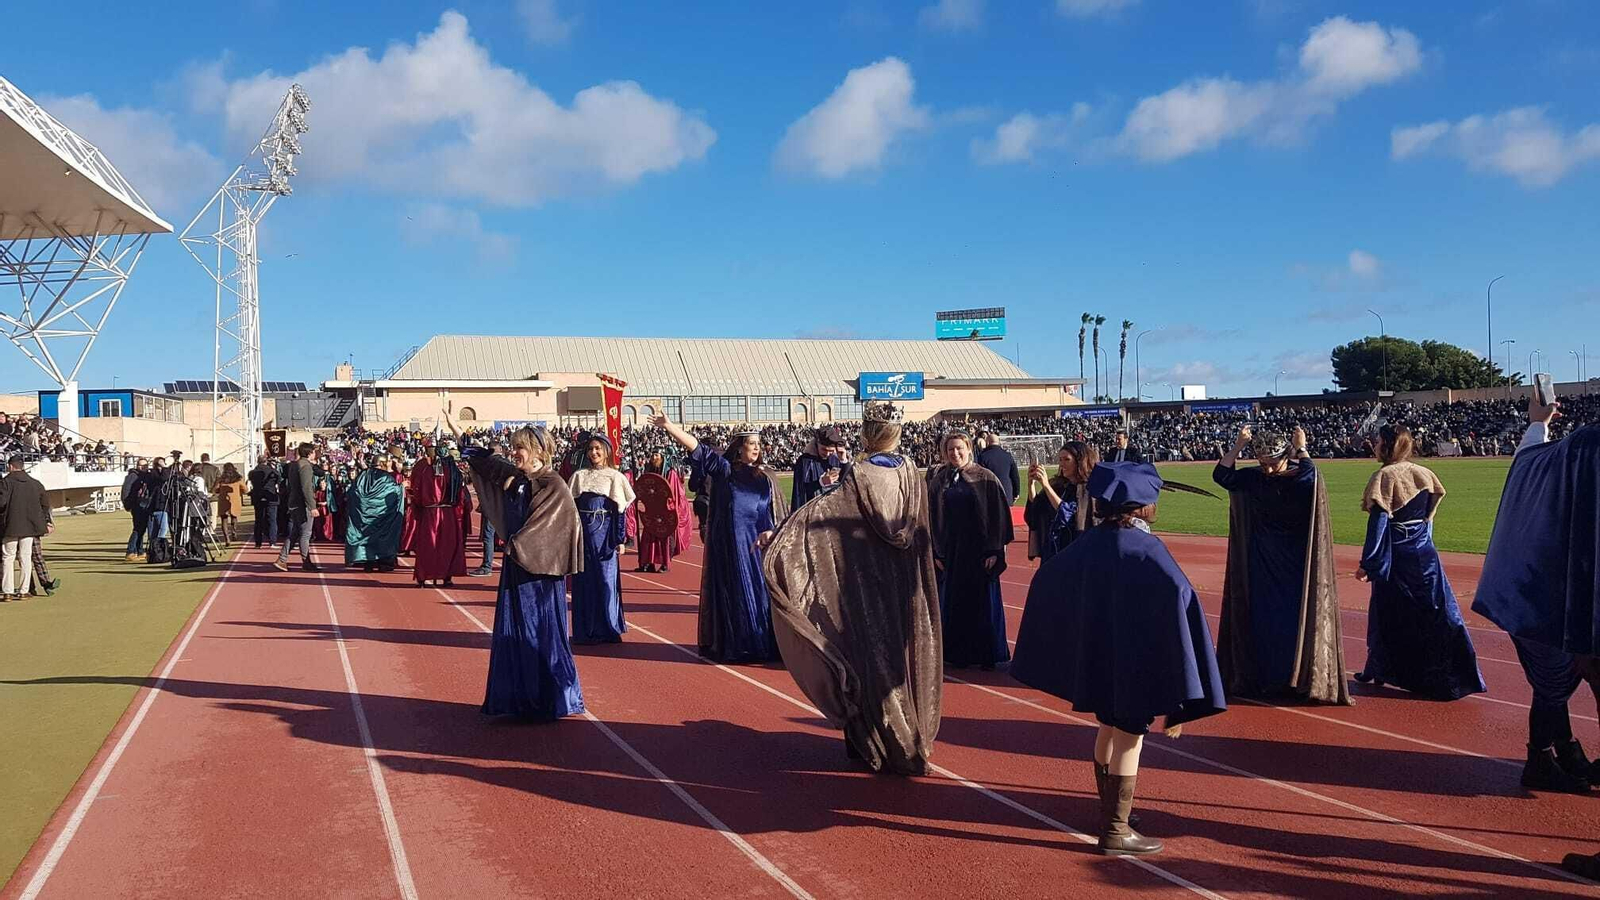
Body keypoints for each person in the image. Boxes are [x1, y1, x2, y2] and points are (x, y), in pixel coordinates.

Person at [1010, 462, 1227, 856]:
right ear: (1145, 505)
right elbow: (1181, 596)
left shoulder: (1090, 542)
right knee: (1131, 735)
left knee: (1108, 726)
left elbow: (1049, 575)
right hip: (1133, 660)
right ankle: (1115, 829)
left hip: (1099, 657)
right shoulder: (1146, 548)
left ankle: (1109, 807)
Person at [764, 401, 942, 774]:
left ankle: (874, 740)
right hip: (906, 582)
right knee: (902, 659)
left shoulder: (857, 474)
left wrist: (784, 535)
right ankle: (910, 734)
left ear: (866, 433)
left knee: (866, 656)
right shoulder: (912, 473)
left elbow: (825, 516)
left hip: (864, 582)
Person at [1473, 396, 1600, 795]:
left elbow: (1528, 462)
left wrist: (1537, 423)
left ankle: (1557, 750)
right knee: (1556, 677)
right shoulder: (1585, 450)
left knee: (1558, 675)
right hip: (1559, 593)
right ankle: (1544, 756)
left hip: (1547, 589)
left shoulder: (1576, 451)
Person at [446, 413, 585, 720]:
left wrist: (514, 546)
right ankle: (518, 697)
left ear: (538, 451)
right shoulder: (518, 479)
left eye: (519, 448)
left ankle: (547, 699)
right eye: (512, 447)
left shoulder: (553, 484)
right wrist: (458, 432)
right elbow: (485, 462)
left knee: (539, 633)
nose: (513, 453)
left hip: (539, 574)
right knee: (517, 633)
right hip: (517, 566)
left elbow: (550, 527)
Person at [1213, 425, 1350, 704]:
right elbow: (1221, 475)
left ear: (1285, 456)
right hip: (1262, 557)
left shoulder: (1297, 477)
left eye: (1273, 463)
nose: (1269, 469)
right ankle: (1266, 676)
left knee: (1293, 618)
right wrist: (1239, 445)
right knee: (1263, 618)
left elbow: (1312, 477)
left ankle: (1294, 676)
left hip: (1295, 558)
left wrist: (1300, 449)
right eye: (1263, 463)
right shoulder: (1257, 477)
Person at [1352, 423, 1486, 700]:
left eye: (1378, 442)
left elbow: (1378, 524)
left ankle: (1382, 667)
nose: (1374, 446)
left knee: (1387, 613)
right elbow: (1429, 517)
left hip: (1398, 557)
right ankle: (1449, 675)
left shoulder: (1384, 477)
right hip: (1424, 553)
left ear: (1388, 446)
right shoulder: (1424, 473)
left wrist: (1370, 563)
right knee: (1435, 612)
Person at [654, 415, 789, 663]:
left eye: (759, 443)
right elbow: (697, 448)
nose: (757, 447)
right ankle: (741, 644)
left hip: (762, 542)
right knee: (738, 591)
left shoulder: (766, 476)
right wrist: (670, 426)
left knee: (763, 593)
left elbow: (776, 510)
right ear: (739, 448)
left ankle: (766, 641)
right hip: (734, 543)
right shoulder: (725, 470)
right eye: (751, 443)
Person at [928, 431, 1013, 670]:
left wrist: (995, 550)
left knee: (983, 602)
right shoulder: (939, 480)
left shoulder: (985, 478)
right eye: (950, 449)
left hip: (980, 550)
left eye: (959, 448)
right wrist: (937, 552)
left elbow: (998, 516)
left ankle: (986, 654)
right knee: (954, 602)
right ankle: (957, 655)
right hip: (952, 551)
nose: (955, 453)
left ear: (968, 449)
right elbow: (931, 517)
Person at [567, 434, 634, 644]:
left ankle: (608, 628)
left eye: (597, 449)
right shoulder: (579, 476)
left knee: (606, 581)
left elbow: (620, 510)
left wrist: (619, 539)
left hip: (604, 536)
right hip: (583, 535)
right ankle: (585, 630)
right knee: (584, 582)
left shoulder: (615, 477)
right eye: (590, 449)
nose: (593, 453)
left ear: (606, 451)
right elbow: (570, 508)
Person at [1024, 441, 1099, 563]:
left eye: (1066, 460)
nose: (1062, 464)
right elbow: (1035, 514)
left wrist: (1046, 486)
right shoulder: (1058, 486)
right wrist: (1031, 484)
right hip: (1052, 552)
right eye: (1060, 460)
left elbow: (1069, 516)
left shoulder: (1088, 490)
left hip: (1074, 554)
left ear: (1079, 461)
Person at [408, 441, 469, 588]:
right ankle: (447, 577)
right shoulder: (454, 472)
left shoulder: (425, 471)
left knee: (427, 544)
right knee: (448, 545)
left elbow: (417, 493)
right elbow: (460, 497)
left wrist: (418, 506)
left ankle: (422, 578)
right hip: (448, 514)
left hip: (430, 512)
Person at [0, 455, 53, 601]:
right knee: (25, 557)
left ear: (10, 466)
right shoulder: (35, 484)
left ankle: (7, 591)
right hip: (30, 527)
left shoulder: (5, 483)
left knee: (8, 558)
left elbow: (1, 503)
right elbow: (45, 505)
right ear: (22, 466)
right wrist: (46, 522)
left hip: (9, 526)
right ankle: (24, 591)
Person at [630, 450, 692, 573]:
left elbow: (674, 494)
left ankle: (665, 564)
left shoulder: (670, 473)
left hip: (665, 511)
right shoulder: (650, 471)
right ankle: (648, 563)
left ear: (662, 457)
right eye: (652, 455)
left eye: (656, 455)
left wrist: (668, 507)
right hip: (652, 509)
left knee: (665, 538)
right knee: (648, 538)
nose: (654, 457)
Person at [345, 455, 405, 573]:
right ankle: (383, 563)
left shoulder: (363, 475)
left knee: (367, 536)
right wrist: (402, 488)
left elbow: (353, 491)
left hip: (364, 515)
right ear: (382, 463)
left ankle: (369, 562)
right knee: (383, 537)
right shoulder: (386, 478)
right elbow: (391, 493)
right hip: (382, 515)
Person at [274, 443, 321, 573]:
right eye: (314, 451)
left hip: (293, 502)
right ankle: (306, 562)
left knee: (295, 533)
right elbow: (306, 488)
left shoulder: (294, 465)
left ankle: (282, 559)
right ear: (310, 453)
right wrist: (312, 506)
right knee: (305, 534)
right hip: (302, 504)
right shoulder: (305, 466)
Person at [470, 440, 508, 577]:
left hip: (492, 505)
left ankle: (487, 566)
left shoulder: (488, 465)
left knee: (488, 535)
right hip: (507, 506)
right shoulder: (508, 465)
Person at [791, 425, 847, 509]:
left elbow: (847, 484)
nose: (827, 454)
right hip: (813, 512)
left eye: (831, 451)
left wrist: (844, 461)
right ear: (817, 445)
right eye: (824, 449)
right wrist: (821, 482)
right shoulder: (804, 461)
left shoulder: (836, 459)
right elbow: (800, 492)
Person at [976, 430, 1022, 505]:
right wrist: (1016, 492)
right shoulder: (1008, 456)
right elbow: (1015, 476)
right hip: (1007, 494)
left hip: (990, 496)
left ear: (987, 442)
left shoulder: (982, 456)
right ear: (999, 442)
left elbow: (980, 478)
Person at [248, 455, 281, 549]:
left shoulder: (252, 472)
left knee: (258, 520)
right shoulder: (271, 471)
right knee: (272, 519)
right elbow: (279, 479)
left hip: (257, 497)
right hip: (270, 495)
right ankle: (272, 542)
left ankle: (258, 543)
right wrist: (273, 468)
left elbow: (251, 481)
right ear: (266, 461)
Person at [122, 458, 151, 562]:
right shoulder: (132, 476)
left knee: (142, 529)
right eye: (140, 465)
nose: (143, 467)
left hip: (145, 505)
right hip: (137, 506)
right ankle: (130, 551)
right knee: (138, 528)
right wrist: (127, 505)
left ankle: (139, 551)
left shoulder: (147, 476)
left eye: (145, 466)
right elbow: (125, 491)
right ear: (137, 466)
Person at [214, 462, 246, 545]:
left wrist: (221, 491)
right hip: (235, 500)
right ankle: (234, 532)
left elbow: (215, 489)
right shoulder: (238, 478)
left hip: (223, 500)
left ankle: (227, 538)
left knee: (224, 520)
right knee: (234, 517)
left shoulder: (221, 479)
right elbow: (245, 489)